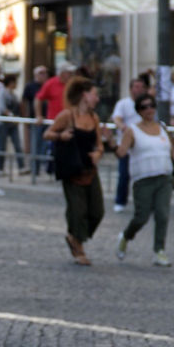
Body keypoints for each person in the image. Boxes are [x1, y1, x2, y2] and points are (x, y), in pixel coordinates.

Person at [115, 93, 174, 267]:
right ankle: (125, 236)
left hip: (164, 177)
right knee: (141, 217)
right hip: (143, 179)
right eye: (144, 107)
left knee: (162, 214)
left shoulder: (162, 127)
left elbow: (173, 152)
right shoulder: (133, 130)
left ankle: (159, 251)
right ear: (139, 111)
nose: (149, 109)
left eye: (151, 105)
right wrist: (110, 142)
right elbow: (122, 153)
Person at [44, 76, 104, 266]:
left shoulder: (94, 118)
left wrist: (98, 154)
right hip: (72, 169)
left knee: (97, 211)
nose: (97, 99)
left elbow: (100, 145)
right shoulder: (67, 116)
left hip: (90, 170)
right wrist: (61, 136)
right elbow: (47, 133)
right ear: (85, 95)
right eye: (95, 94)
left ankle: (74, 236)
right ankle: (78, 247)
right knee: (77, 211)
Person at [35, 62, 76, 175]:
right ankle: (49, 169)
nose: (71, 75)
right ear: (62, 73)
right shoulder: (51, 83)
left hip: (69, 122)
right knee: (51, 146)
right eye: (69, 73)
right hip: (54, 122)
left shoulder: (72, 84)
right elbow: (38, 98)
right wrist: (39, 115)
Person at [111, 77, 145, 212]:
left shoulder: (146, 103)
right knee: (124, 175)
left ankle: (143, 202)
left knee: (142, 176)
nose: (139, 90)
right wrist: (123, 127)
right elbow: (116, 118)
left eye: (141, 87)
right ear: (131, 89)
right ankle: (120, 201)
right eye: (136, 87)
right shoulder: (123, 103)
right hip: (125, 145)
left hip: (141, 146)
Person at [21, 65, 48, 174]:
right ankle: (34, 168)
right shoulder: (30, 86)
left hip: (48, 119)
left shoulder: (48, 85)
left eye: (45, 73)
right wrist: (26, 117)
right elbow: (24, 101)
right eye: (41, 73)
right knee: (35, 144)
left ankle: (45, 166)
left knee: (45, 145)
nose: (44, 75)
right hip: (35, 120)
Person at [0, 74, 25, 173]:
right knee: (2, 146)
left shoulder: (14, 95)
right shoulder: (3, 93)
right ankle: (0, 167)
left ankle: (21, 166)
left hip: (13, 124)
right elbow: (2, 108)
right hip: (4, 123)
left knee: (17, 145)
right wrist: (12, 116)